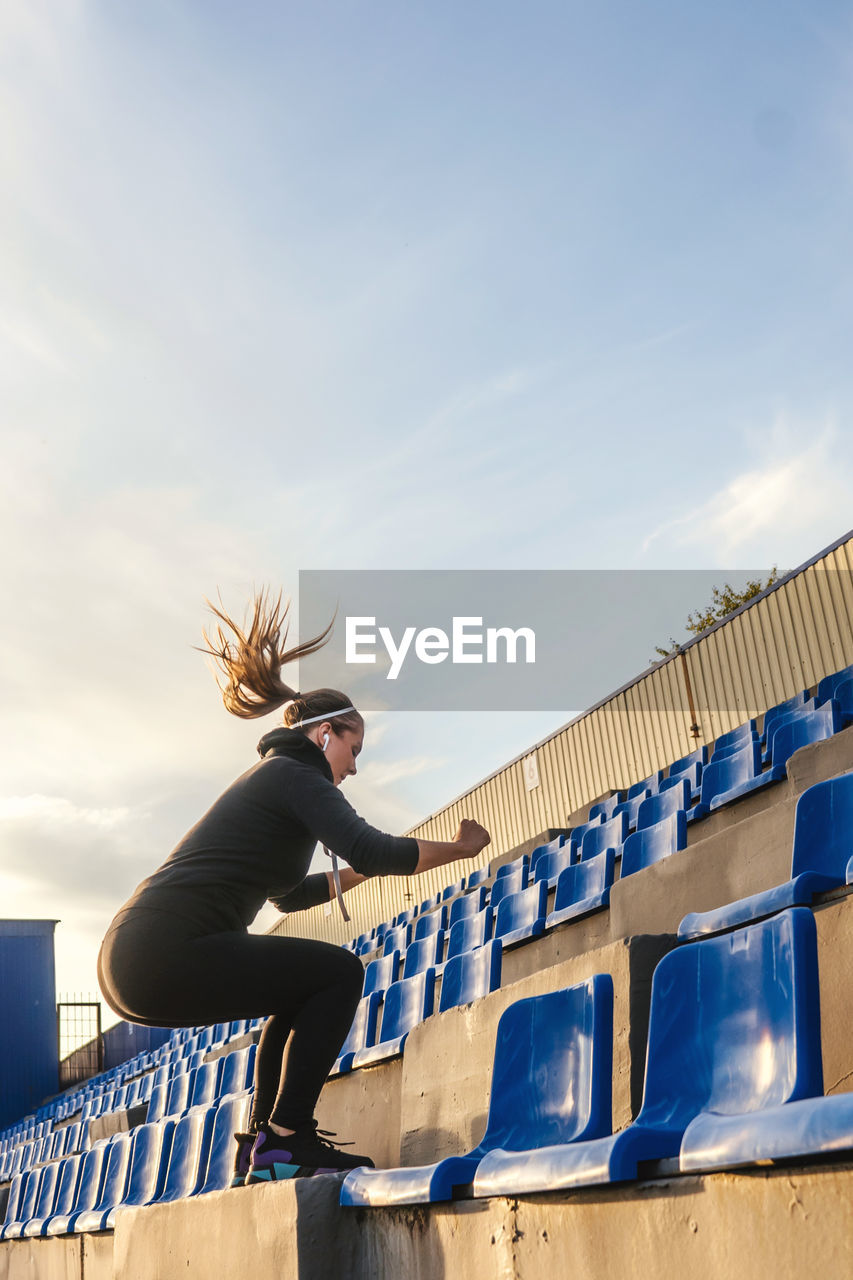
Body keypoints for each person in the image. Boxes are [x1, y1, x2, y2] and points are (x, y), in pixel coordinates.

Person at [97, 589, 491, 1185]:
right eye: (353, 749)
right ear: (324, 735)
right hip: (158, 950)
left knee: (300, 990)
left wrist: (358, 871)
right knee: (339, 974)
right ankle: (287, 1138)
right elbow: (374, 848)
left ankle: (266, 1140)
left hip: (135, 958)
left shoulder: (275, 779)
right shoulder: (295, 776)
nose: (354, 767)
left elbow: (287, 895)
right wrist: (458, 849)